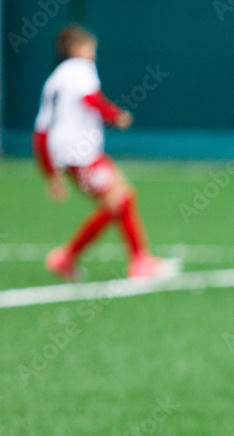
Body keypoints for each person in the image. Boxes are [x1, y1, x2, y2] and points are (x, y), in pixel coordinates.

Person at [34, 24, 174, 281]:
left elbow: (41, 131)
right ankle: (132, 261)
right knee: (120, 199)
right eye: (90, 47)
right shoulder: (80, 69)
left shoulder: (54, 80)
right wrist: (116, 115)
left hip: (70, 155)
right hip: (81, 153)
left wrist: (50, 172)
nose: (93, 53)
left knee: (119, 200)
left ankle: (72, 258)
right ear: (76, 48)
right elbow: (90, 98)